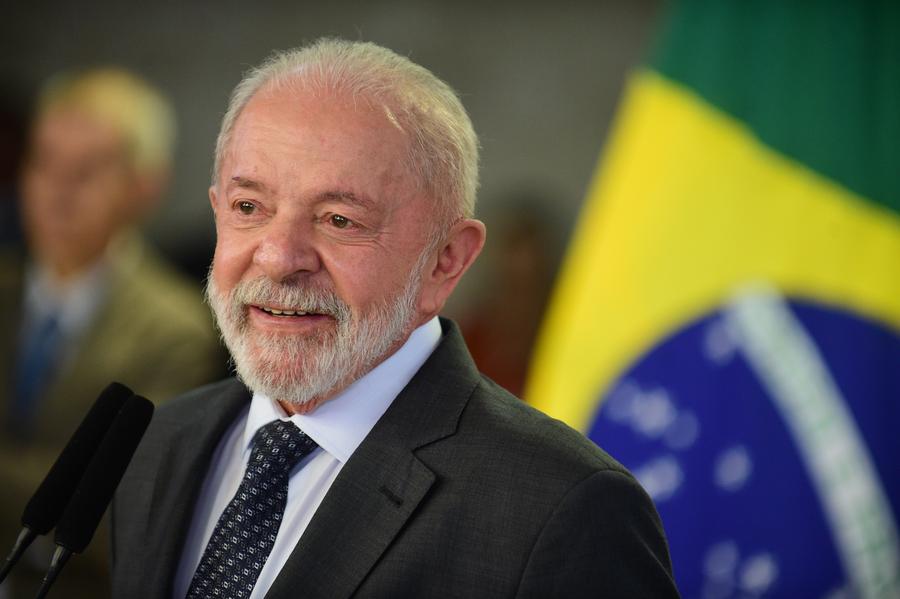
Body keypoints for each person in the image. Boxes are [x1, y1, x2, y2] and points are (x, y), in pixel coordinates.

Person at [111, 39, 680, 598]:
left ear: (445, 260)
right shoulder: (157, 442)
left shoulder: (564, 510)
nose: (279, 258)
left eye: (339, 220)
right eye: (249, 208)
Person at [0, 68, 223, 598]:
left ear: (144, 186)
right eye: (43, 162)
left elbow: (117, 506)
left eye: (85, 171)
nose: (56, 191)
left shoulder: (176, 329)